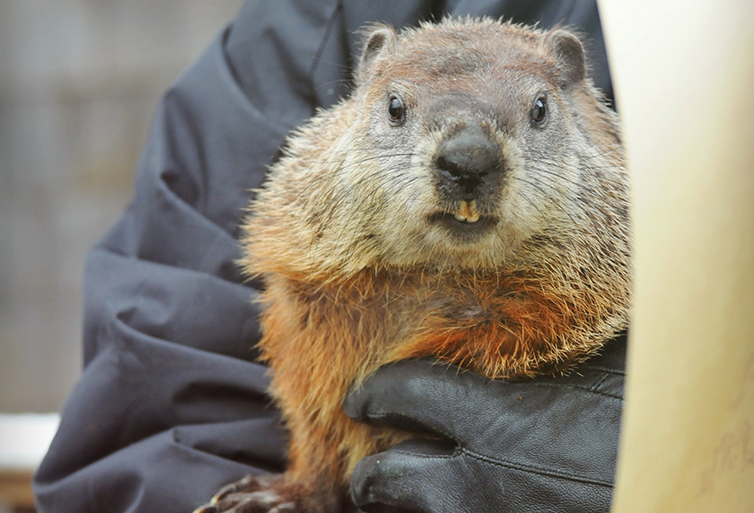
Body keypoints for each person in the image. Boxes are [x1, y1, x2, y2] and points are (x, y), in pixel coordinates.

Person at [33, 1, 626, 512]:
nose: (470, 159)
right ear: (368, 76)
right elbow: (160, 400)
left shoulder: (656, 202)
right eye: (396, 110)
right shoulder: (310, 31)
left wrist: (654, 471)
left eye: (540, 111)